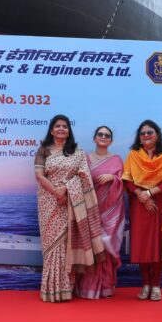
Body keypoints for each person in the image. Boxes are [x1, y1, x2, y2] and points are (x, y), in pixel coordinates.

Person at [33, 114, 104, 303]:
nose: (61, 129)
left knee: (68, 243)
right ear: (51, 130)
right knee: (51, 244)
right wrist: (56, 192)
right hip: (48, 201)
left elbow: (83, 176)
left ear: (69, 131)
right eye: (58, 126)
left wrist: (65, 189)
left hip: (72, 201)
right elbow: (39, 176)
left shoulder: (77, 152)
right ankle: (50, 289)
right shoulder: (43, 150)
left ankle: (65, 289)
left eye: (65, 126)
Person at [122, 119, 162, 301]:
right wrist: (141, 195)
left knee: (158, 244)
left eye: (150, 132)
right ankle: (145, 283)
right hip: (139, 204)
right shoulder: (133, 155)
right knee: (141, 245)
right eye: (143, 133)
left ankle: (156, 284)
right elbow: (127, 179)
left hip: (159, 202)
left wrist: (149, 193)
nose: (146, 135)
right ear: (139, 138)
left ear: (157, 135)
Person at [75, 126, 124, 299]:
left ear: (111, 141)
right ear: (94, 138)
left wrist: (113, 178)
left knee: (105, 245)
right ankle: (88, 288)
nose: (103, 137)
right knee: (91, 246)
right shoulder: (85, 159)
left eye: (107, 135)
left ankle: (105, 287)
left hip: (109, 211)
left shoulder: (116, 160)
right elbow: (78, 181)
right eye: (100, 134)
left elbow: (124, 183)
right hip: (90, 208)